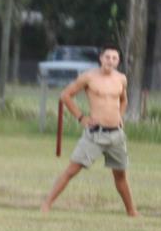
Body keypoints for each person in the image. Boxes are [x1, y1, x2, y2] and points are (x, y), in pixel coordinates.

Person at [41, 45, 140, 217]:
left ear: (118, 62)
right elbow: (65, 95)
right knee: (71, 170)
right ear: (101, 58)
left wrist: (120, 117)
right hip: (95, 134)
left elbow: (123, 100)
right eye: (107, 57)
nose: (110, 61)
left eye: (114, 58)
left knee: (120, 175)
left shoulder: (121, 79)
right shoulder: (89, 77)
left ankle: (131, 211)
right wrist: (81, 118)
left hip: (116, 135)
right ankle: (46, 205)